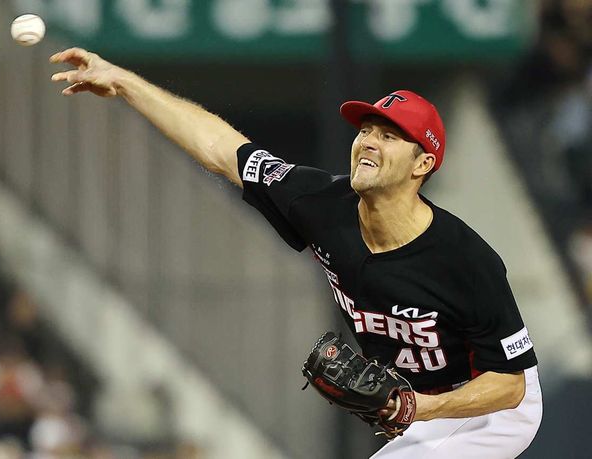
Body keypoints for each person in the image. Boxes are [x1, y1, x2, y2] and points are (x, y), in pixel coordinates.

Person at [50, 48, 542, 458]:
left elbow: (511, 384)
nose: (368, 142)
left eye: (389, 137)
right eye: (366, 130)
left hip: (490, 409)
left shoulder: (465, 260)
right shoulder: (319, 203)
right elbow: (222, 149)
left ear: (423, 164)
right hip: (424, 410)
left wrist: (419, 407)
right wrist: (125, 83)